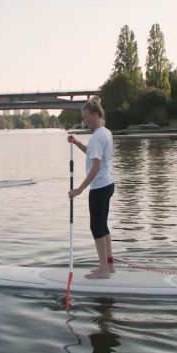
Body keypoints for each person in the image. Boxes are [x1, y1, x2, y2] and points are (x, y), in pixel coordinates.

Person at [67, 96, 115, 279]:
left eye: (87, 117)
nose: (85, 121)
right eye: (84, 118)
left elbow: (95, 167)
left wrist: (79, 189)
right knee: (103, 226)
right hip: (108, 184)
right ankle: (109, 266)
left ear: (96, 114)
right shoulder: (106, 133)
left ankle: (103, 270)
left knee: (96, 228)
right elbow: (92, 154)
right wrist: (77, 142)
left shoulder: (97, 137)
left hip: (99, 187)